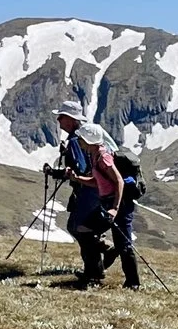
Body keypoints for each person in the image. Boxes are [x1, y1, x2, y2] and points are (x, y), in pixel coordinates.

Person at [50, 101, 139, 289]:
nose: (58, 121)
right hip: (104, 198)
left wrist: (114, 207)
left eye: (61, 117)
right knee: (84, 229)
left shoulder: (89, 149)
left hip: (109, 201)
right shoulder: (91, 148)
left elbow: (116, 181)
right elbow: (95, 178)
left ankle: (109, 274)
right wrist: (77, 178)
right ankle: (102, 262)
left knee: (85, 229)